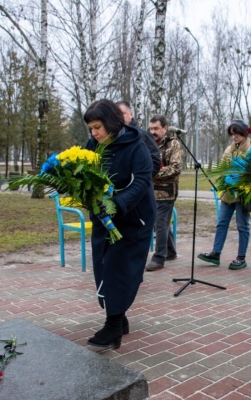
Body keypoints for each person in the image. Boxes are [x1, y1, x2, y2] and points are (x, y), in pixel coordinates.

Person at [83, 99, 156, 349]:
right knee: (102, 266)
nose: (93, 133)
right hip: (103, 219)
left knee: (120, 269)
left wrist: (117, 204)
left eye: (97, 127)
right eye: (91, 128)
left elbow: (142, 181)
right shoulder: (93, 145)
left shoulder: (138, 144)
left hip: (134, 219)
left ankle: (112, 325)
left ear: (111, 123)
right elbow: (85, 176)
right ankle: (119, 317)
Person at [198, 119, 251, 270]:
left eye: (236, 134)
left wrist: (239, 178)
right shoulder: (230, 149)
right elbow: (222, 166)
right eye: (232, 134)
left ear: (244, 133)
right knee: (222, 222)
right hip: (228, 193)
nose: (234, 137)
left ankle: (241, 257)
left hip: (243, 193)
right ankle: (216, 252)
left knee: (242, 225)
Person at [145, 115, 183, 271]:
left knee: (160, 224)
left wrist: (152, 173)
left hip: (167, 192)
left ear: (165, 128)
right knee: (161, 223)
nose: (153, 132)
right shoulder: (148, 143)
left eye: (156, 129)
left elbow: (176, 167)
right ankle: (171, 252)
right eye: (151, 128)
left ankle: (159, 258)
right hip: (150, 191)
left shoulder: (173, 144)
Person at [116, 101, 161, 178]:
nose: (119, 117)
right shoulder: (110, 137)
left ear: (131, 114)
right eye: (116, 115)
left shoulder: (143, 136)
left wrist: (141, 179)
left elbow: (155, 161)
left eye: (123, 113)